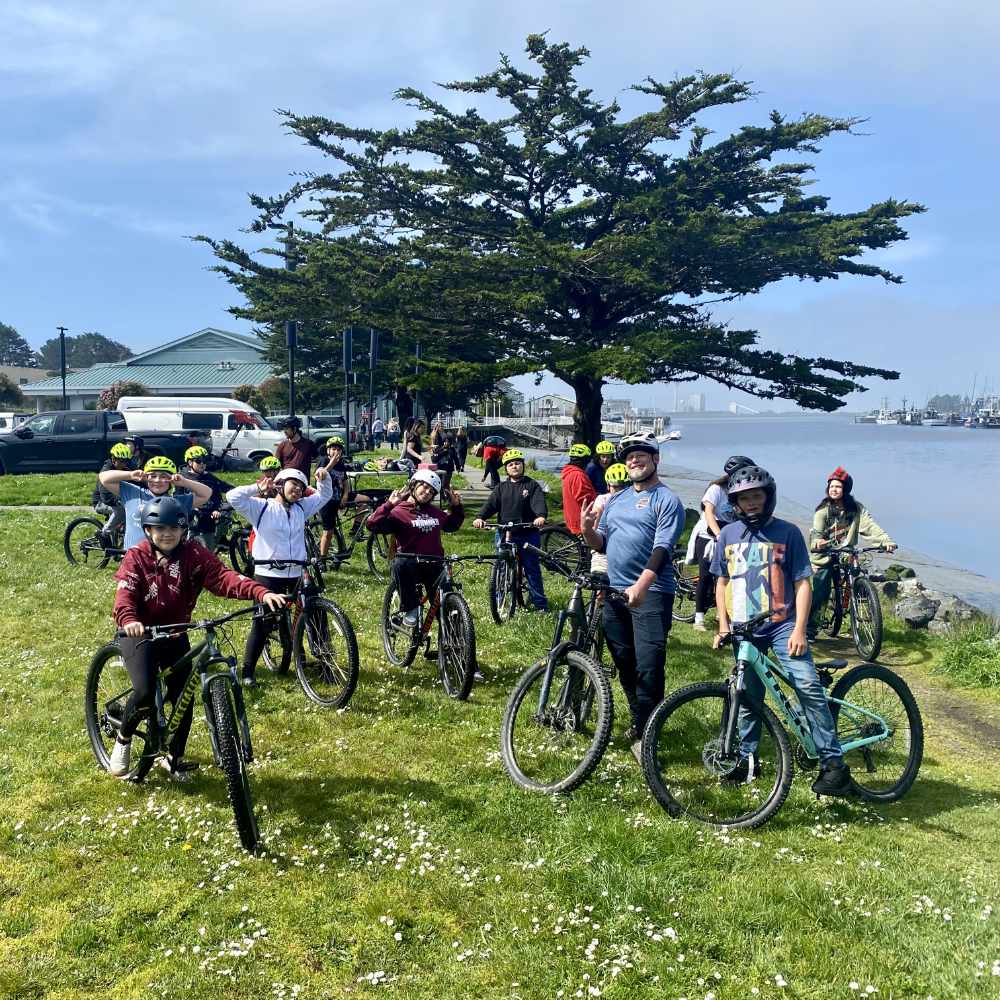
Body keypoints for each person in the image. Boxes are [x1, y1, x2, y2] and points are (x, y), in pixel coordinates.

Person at [108, 495, 287, 779]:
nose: (167, 534)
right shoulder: (137, 556)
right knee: (143, 692)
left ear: (183, 530)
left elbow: (223, 577)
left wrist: (261, 592)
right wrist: (129, 620)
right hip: (140, 633)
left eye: (173, 528)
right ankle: (124, 739)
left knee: (184, 697)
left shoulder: (193, 553)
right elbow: (125, 595)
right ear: (147, 531)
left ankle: (173, 757)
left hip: (176, 633)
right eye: (159, 529)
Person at [710, 465, 853, 796]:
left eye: (757, 496)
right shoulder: (728, 535)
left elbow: (803, 583)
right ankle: (747, 759)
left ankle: (834, 765)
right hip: (745, 630)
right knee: (747, 697)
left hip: (782, 626)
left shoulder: (788, 532)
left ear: (768, 497)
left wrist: (800, 629)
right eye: (744, 499)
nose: (751, 503)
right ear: (735, 502)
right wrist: (722, 624)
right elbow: (721, 582)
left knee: (806, 685)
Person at [581, 431, 684, 755]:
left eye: (641, 454)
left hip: (651, 593)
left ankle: (648, 737)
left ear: (656, 459)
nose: (634, 460)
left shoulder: (667, 500)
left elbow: (663, 547)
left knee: (649, 664)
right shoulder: (618, 499)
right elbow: (604, 542)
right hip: (614, 591)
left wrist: (642, 585)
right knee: (624, 661)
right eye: (628, 456)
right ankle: (641, 721)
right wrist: (587, 530)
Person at [227, 466, 333, 687]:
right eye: (293, 484)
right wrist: (257, 487)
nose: (297, 490)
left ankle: (326, 662)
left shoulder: (301, 508)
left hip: (296, 571)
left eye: (301, 487)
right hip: (268, 574)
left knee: (316, 612)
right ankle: (248, 671)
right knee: (263, 622)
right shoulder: (261, 507)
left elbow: (325, 495)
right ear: (280, 484)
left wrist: (324, 478)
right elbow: (232, 497)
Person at [366, 469, 464, 626]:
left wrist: (456, 506)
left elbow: (453, 525)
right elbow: (372, 524)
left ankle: (451, 642)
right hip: (410, 565)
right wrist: (389, 505)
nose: (427, 492)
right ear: (413, 485)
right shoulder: (398, 511)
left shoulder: (435, 513)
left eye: (431, 491)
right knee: (399, 563)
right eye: (424, 487)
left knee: (445, 606)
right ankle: (410, 607)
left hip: (434, 564)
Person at [808, 467, 897, 638]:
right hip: (825, 554)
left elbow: (870, 525)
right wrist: (819, 542)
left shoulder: (856, 509)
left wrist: (885, 541)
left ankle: (857, 600)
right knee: (821, 588)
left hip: (846, 552)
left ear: (846, 490)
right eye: (831, 486)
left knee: (858, 572)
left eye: (838, 487)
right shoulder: (822, 511)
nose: (834, 489)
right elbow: (817, 534)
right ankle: (810, 628)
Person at [473, 448, 548, 611]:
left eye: (517, 464)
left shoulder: (531, 485)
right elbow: (490, 505)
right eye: (511, 464)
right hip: (505, 532)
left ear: (523, 465)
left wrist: (540, 516)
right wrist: (480, 517)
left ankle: (540, 604)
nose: (514, 467)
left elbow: (538, 503)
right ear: (506, 468)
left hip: (527, 532)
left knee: (532, 568)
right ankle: (500, 599)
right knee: (501, 566)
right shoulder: (501, 487)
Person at [690, 455, 756, 632]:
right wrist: (719, 535)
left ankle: (724, 613)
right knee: (705, 576)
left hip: (730, 536)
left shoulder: (740, 492)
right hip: (709, 535)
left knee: (727, 577)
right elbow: (709, 512)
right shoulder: (716, 489)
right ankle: (699, 618)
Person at [99, 456, 212, 550]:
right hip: (133, 559)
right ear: (146, 477)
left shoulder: (177, 502)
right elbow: (104, 478)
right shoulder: (132, 493)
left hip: (165, 559)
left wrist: (184, 482)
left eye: (164, 476)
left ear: (171, 480)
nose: (157, 480)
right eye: (152, 476)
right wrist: (130, 475)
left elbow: (206, 493)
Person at [176, 445, 235, 550]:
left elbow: (219, 494)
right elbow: (178, 498)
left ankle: (220, 541)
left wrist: (217, 509)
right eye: (198, 461)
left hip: (209, 515)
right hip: (190, 517)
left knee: (208, 547)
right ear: (190, 463)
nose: (202, 464)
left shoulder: (209, 478)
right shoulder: (182, 478)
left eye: (205, 460)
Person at [588, 462, 629, 574]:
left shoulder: (635, 501)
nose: (619, 491)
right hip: (605, 550)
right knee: (601, 583)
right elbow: (596, 527)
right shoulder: (602, 500)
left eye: (623, 487)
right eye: (615, 487)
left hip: (626, 552)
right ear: (608, 486)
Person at [92, 443, 134, 547]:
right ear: (113, 459)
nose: (124, 464)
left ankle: (120, 540)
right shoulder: (106, 471)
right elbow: (105, 495)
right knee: (122, 510)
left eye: (127, 461)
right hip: (102, 501)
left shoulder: (126, 468)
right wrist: (118, 501)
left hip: (117, 499)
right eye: (122, 461)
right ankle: (104, 533)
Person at [318, 436, 352, 558]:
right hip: (326, 501)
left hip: (339, 497)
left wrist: (346, 495)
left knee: (366, 500)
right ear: (328, 450)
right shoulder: (324, 461)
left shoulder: (341, 464)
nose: (336, 451)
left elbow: (345, 481)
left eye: (338, 449)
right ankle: (322, 558)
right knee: (328, 532)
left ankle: (355, 530)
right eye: (333, 448)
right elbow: (320, 476)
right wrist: (331, 463)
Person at [560, 443, 597, 536]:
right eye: (588, 460)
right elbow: (585, 499)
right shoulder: (578, 475)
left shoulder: (569, 473)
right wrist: (599, 503)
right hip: (580, 520)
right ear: (583, 459)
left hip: (572, 516)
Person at [432, 432, 459, 497]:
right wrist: (442, 453)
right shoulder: (439, 449)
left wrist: (458, 466)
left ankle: (448, 497)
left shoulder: (452, 450)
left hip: (448, 470)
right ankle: (443, 497)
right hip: (440, 469)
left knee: (445, 484)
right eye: (445, 441)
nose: (446, 443)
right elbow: (434, 459)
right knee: (440, 484)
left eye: (448, 442)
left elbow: (456, 459)